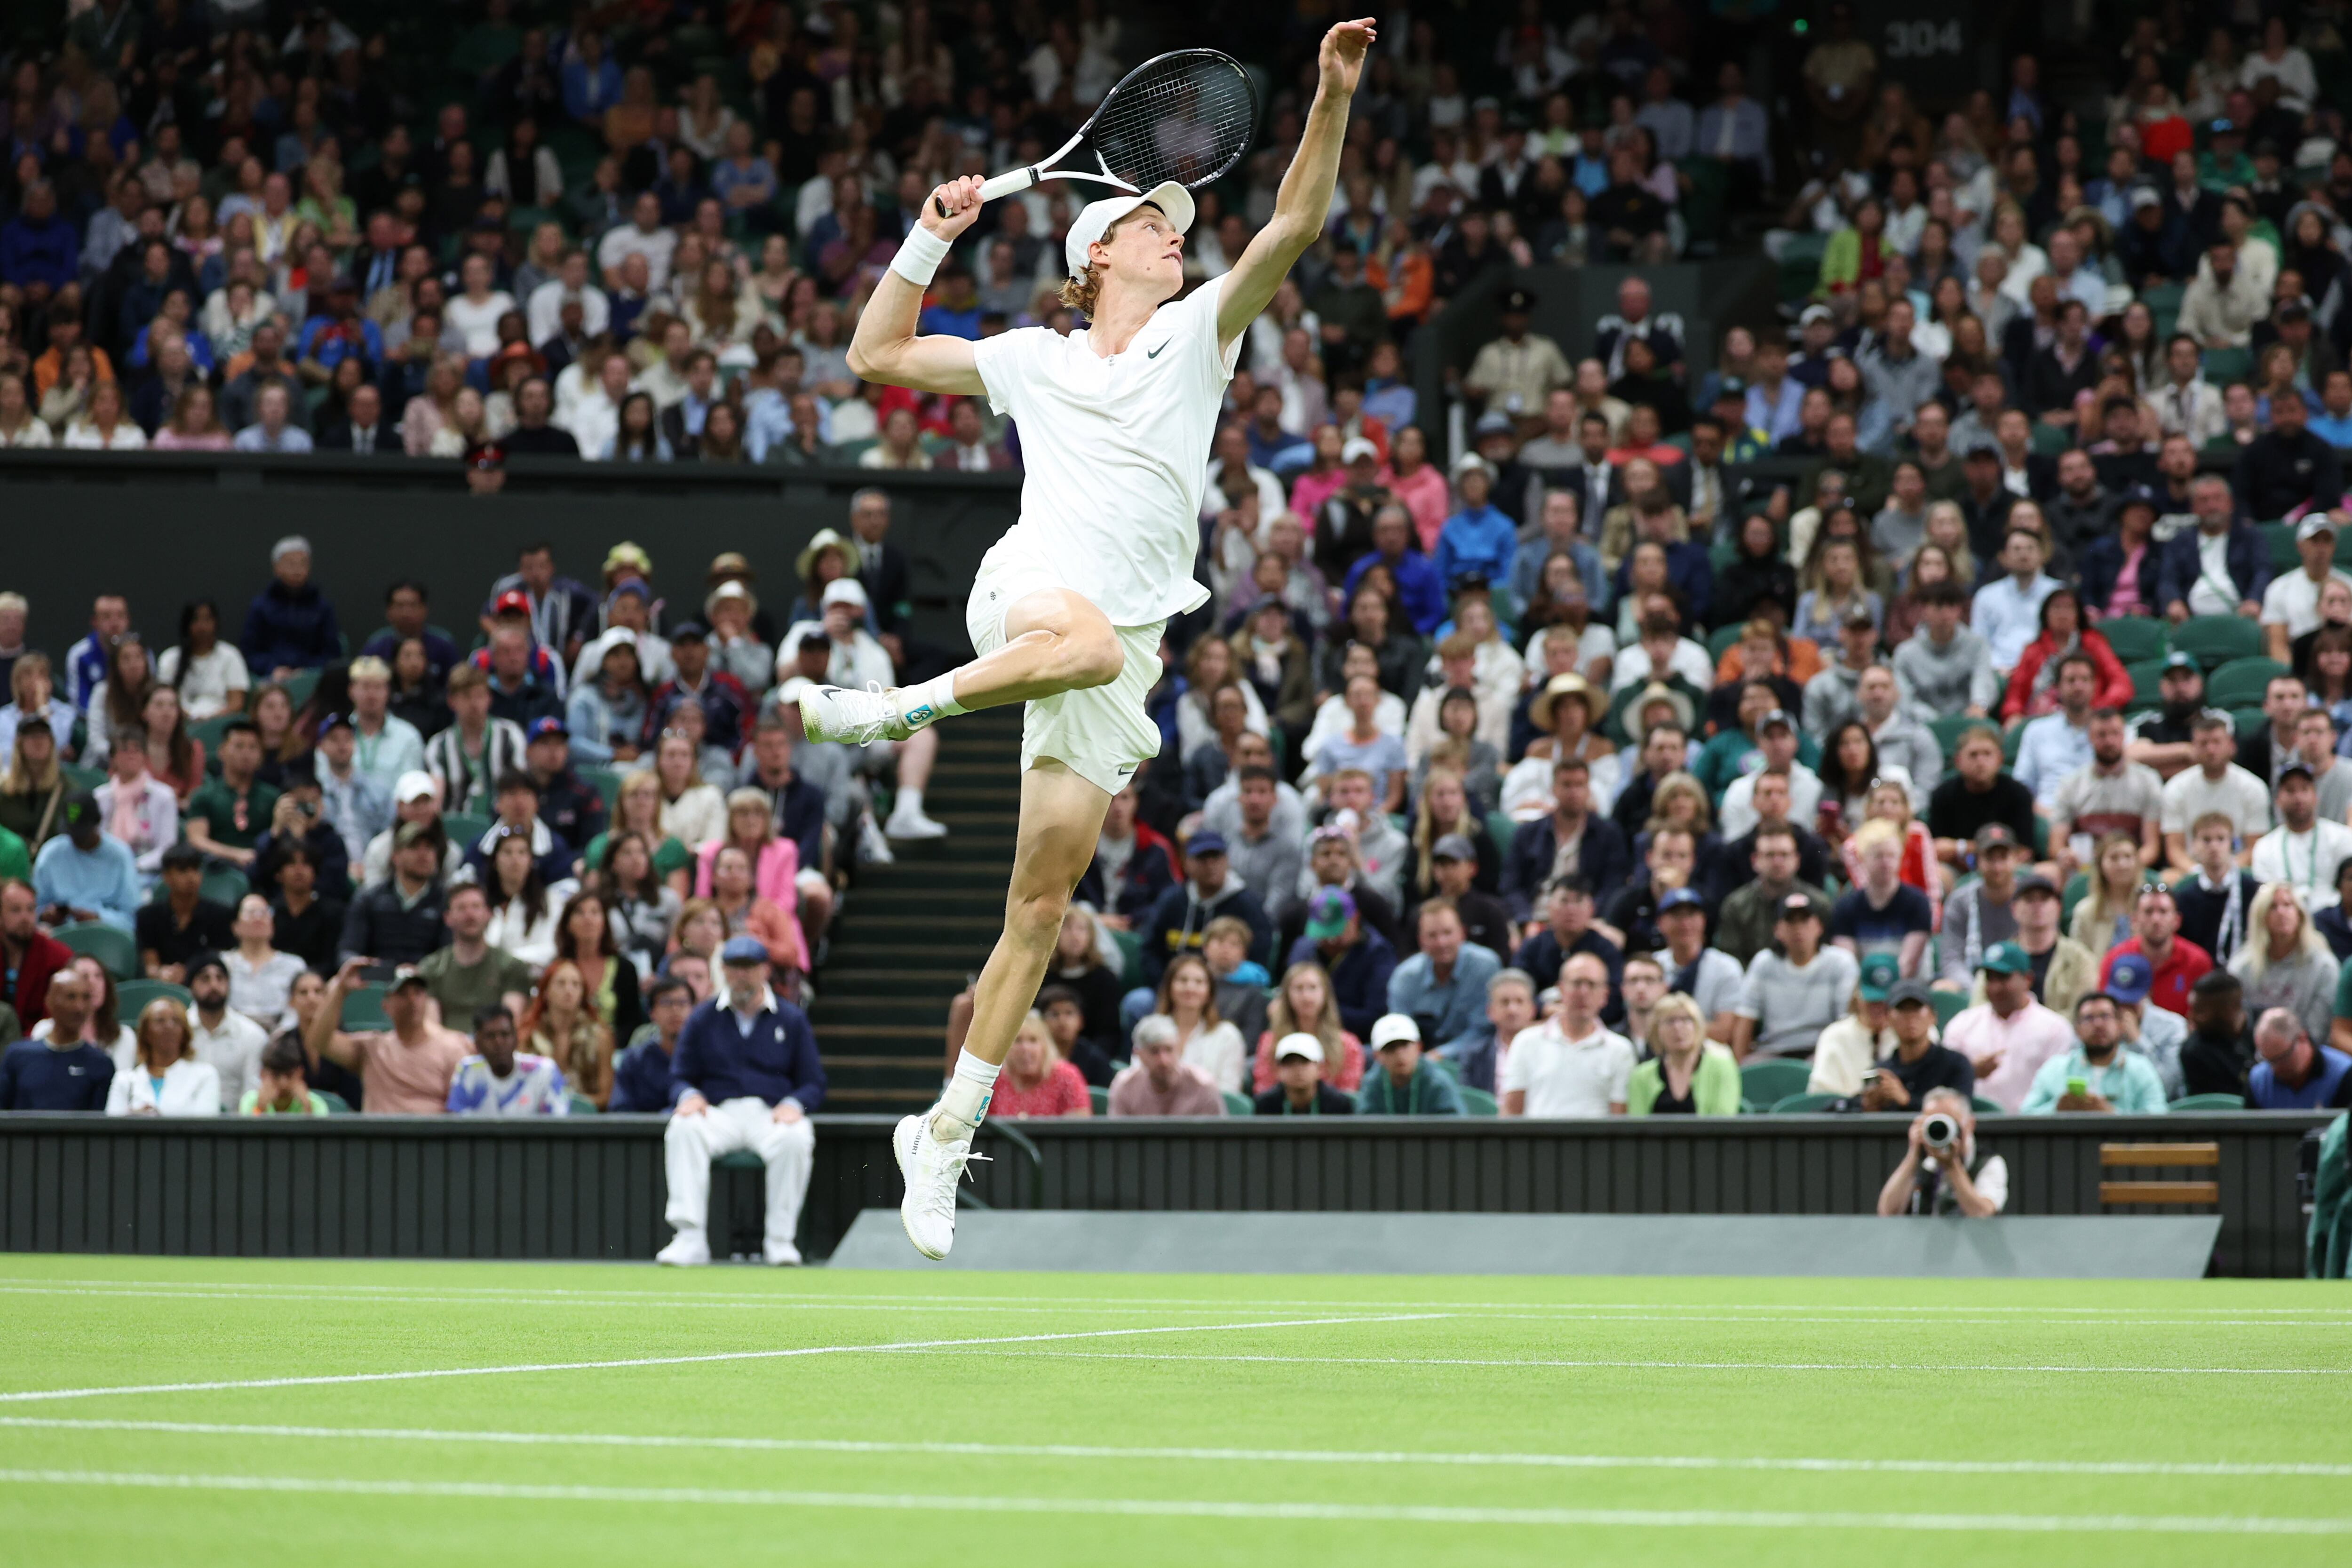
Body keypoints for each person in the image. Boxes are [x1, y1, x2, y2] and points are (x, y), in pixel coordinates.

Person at [804, 19, 1378, 1259]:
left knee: (1038, 906)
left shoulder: (1200, 333)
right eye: (1153, 220)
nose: (1179, 229)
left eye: (1177, 220)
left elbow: (1295, 225)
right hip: (1031, 594)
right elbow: (875, 352)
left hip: (1119, 645)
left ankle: (946, 1127)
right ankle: (890, 710)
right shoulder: (1032, 357)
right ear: (1098, 250)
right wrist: (930, 238)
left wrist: (1331, 100)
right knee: (1084, 643)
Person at [657, 936, 825, 1266]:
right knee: (682, 1127)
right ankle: (689, 1238)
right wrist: (689, 1095)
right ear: (723, 971)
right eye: (734, 968)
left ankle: (780, 1240)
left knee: (797, 1136)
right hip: (719, 1113)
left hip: (771, 1115)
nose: (741, 975)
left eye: (749, 967)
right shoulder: (703, 1017)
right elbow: (679, 1076)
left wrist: (795, 1103)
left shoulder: (791, 1019)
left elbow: (814, 1082)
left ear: (764, 970)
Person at [306, 960, 472, 1114]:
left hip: (430, 1141)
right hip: (380, 1141)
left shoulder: (452, 1048)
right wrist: (341, 990)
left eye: (418, 992)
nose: (412, 1000)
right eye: (403, 994)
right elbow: (320, 1042)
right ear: (386, 1006)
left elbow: (464, 1110)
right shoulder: (372, 1048)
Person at [1945, 939, 2079, 1110]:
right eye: (1989, 978)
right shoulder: (1962, 1025)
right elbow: (1944, 1087)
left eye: (2003, 978)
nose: (1995, 987)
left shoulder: (2055, 1029)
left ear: (2027, 979)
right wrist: (1969, 1072)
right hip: (1973, 1126)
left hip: (2033, 1129)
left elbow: (2059, 1092)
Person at [1500, 952, 1633, 1116]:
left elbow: (1618, 1117)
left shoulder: (1621, 1050)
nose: (1583, 992)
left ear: (1605, 995)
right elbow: (1511, 1111)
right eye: (1577, 983)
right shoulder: (1526, 1041)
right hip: (1537, 1140)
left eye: (1591, 984)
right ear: (1561, 990)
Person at [1732, 893, 1860, 1059]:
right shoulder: (1764, 963)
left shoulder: (1840, 963)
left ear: (1819, 927)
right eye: (1791, 922)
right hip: (1773, 1051)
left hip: (1822, 1050)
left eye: (1805, 921)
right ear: (1777, 930)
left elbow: (1847, 1023)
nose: (1798, 929)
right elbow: (1745, 1018)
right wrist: (1739, 1069)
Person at [2020, 991, 2172, 1114]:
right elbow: (2025, 1115)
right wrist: (2057, 1109)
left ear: (2120, 1025)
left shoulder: (2140, 1068)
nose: (2098, 1025)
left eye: (2105, 1017)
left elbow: (2158, 1118)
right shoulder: (2056, 1068)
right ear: (2077, 1030)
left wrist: (2109, 1113)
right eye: (2089, 1018)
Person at [2228, 883, 2337, 1049]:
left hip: (2307, 1052)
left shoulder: (2324, 966)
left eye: (2288, 905)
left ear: (2300, 915)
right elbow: (2237, 1022)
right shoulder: (2241, 966)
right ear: (2260, 917)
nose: (2281, 912)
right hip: (2253, 1050)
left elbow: (2319, 1029)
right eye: (2273, 907)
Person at [2159, 713, 2271, 872]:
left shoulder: (2254, 788)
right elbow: (2175, 850)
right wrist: (2199, 873)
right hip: (2191, 869)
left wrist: (2224, 872)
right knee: (2168, 878)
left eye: (2217, 742)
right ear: (2194, 747)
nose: (2211, 750)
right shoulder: (2176, 788)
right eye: (2204, 744)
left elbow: (2254, 849)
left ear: (2231, 746)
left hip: (2237, 868)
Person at [1876, 1089, 2008, 1216]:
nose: (1941, 1131)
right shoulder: (1924, 1162)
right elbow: (1888, 1212)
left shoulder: (1989, 1163)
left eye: (1949, 1122)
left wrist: (1952, 1166)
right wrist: (1913, 1154)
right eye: (1934, 1123)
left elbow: (1982, 1214)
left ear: (1970, 1125)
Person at [0, 965, 113, 1110]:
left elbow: (99, 1127)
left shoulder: (101, 1064)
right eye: (71, 997)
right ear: (50, 1002)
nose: (79, 1007)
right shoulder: (17, 1056)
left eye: (86, 998)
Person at [31, 791, 140, 933]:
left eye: (82, 832)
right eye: (72, 832)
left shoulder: (120, 855)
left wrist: (99, 918)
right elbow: (34, 907)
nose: (77, 839)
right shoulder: (51, 853)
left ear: (97, 823)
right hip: (59, 931)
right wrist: (47, 914)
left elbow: (132, 917)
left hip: (106, 933)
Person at [2251, 764, 2352, 913]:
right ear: (2278, 800)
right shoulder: (2265, 846)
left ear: (2315, 797)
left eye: (2305, 789)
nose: (2298, 798)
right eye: (2290, 791)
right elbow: (2266, 897)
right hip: (2286, 919)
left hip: (2334, 919)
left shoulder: (2341, 837)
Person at [1626, 993, 1740, 1115]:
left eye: (1687, 1020)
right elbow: (1637, 1126)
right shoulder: (1640, 1076)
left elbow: (1723, 1124)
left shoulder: (1722, 1067)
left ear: (1698, 1026)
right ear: (1657, 1030)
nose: (1678, 1027)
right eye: (1670, 1021)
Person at [104, 997, 222, 1116]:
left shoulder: (205, 1076)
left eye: (176, 1021)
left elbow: (204, 1126)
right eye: (160, 1021)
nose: (169, 1026)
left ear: (184, 1032)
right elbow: (112, 1127)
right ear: (146, 1033)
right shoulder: (125, 1081)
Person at [445, 1004, 570, 1116]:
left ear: (516, 1038)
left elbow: (560, 1126)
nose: (499, 1043)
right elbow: (456, 1127)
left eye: (505, 1035)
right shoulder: (468, 1071)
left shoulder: (544, 1071)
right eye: (490, 1036)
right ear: (477, 1043)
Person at [184, 951, 269, 1112]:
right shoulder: (178, 1031)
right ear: (191, 987)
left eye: (220, 978)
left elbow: (253, 1095)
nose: (214, 986)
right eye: (205, 979)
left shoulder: (252, 1035)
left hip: (236, 1129)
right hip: (182, 1126)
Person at [1108, 1014, 1228, 1116]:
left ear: (1179, 1048)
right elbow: (1117, 1142)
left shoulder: (1203, 1086)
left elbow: (1216, 1141)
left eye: (1169, 1050)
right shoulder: (1125, 1086)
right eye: (1155, 1052)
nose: (1164, 1061)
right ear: (1139, 1055)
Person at [1355, 1011, 1464, 1114]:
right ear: (1377, 1056)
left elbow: (1454, 1127)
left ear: (1419, 1047)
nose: (1399, 1055)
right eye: (1390, 1048)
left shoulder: (1438, 1083)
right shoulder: (1371, 1084)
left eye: (1405, 1045)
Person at [2246, 1006, 2352, 1109]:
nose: (2275, 1069)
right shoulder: (2258, 1081)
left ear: (2302, 1037)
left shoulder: (2343, 1074)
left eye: (2282, 1058)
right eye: (2269, 1061)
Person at [1253, 1031, 1354, 1115]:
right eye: (1289, 1063)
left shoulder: (1339, 1104)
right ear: (1278, 1069)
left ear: (1320, 1067)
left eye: (1305, 1062)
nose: (1298, 1069)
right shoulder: (1264, 1105)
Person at [238, 1034, 331, 1115]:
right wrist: (261, 1109)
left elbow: (316, 1135)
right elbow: (250, 1134)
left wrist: (307, 1108)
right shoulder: (250, 1102)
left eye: (289, 1075)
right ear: (262, 1074)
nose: (283, 1084)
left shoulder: (315, 1104)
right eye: (276, 1076)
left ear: (300, 1073)